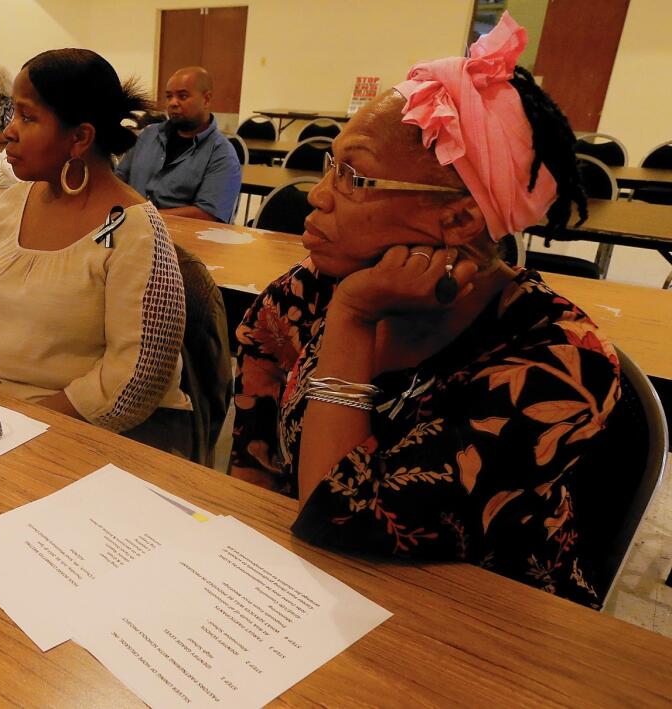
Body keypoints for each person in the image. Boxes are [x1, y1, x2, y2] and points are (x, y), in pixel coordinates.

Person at [229, 13, 618, 608]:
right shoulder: (302, 294)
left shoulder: (561, 364)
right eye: (330, 165)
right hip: (308, 600)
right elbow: (255, 468)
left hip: (478, 628)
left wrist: (354, 320)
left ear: (460, 218)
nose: (319, 194)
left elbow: (340, 520)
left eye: (354, 177)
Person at [0, 49, 191, 453]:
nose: (9, 132)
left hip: (76, 436)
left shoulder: (134, 230)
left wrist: (16, 429)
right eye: (13, 116)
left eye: (28, 117)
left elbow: (134, 381)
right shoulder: (12, 202)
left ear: (80, 137)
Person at [115, 66, 240, 223]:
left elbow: (208, 215)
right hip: (132, 231)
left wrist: (146, 217)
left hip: (182, 240)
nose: (173, 103)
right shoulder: (148, 135)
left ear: (206, 99)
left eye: (182, 96)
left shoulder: (222, 154)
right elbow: (118, 181)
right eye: (169, 96)